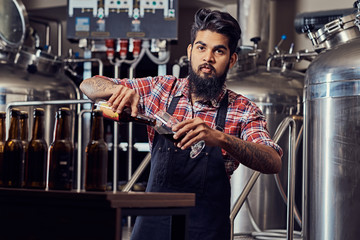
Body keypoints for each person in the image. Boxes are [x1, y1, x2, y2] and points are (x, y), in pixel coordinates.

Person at [80, 8, 282, 240]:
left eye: (219, 50)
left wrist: (221, 138)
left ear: (232, 59)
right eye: (201, 47)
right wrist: (116, 90)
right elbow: (89, 85)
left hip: (206, 231)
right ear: (190, 51)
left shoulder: (243, 109)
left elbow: (273, 161)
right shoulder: (161, 89)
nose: (208, 58)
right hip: (151, 229)